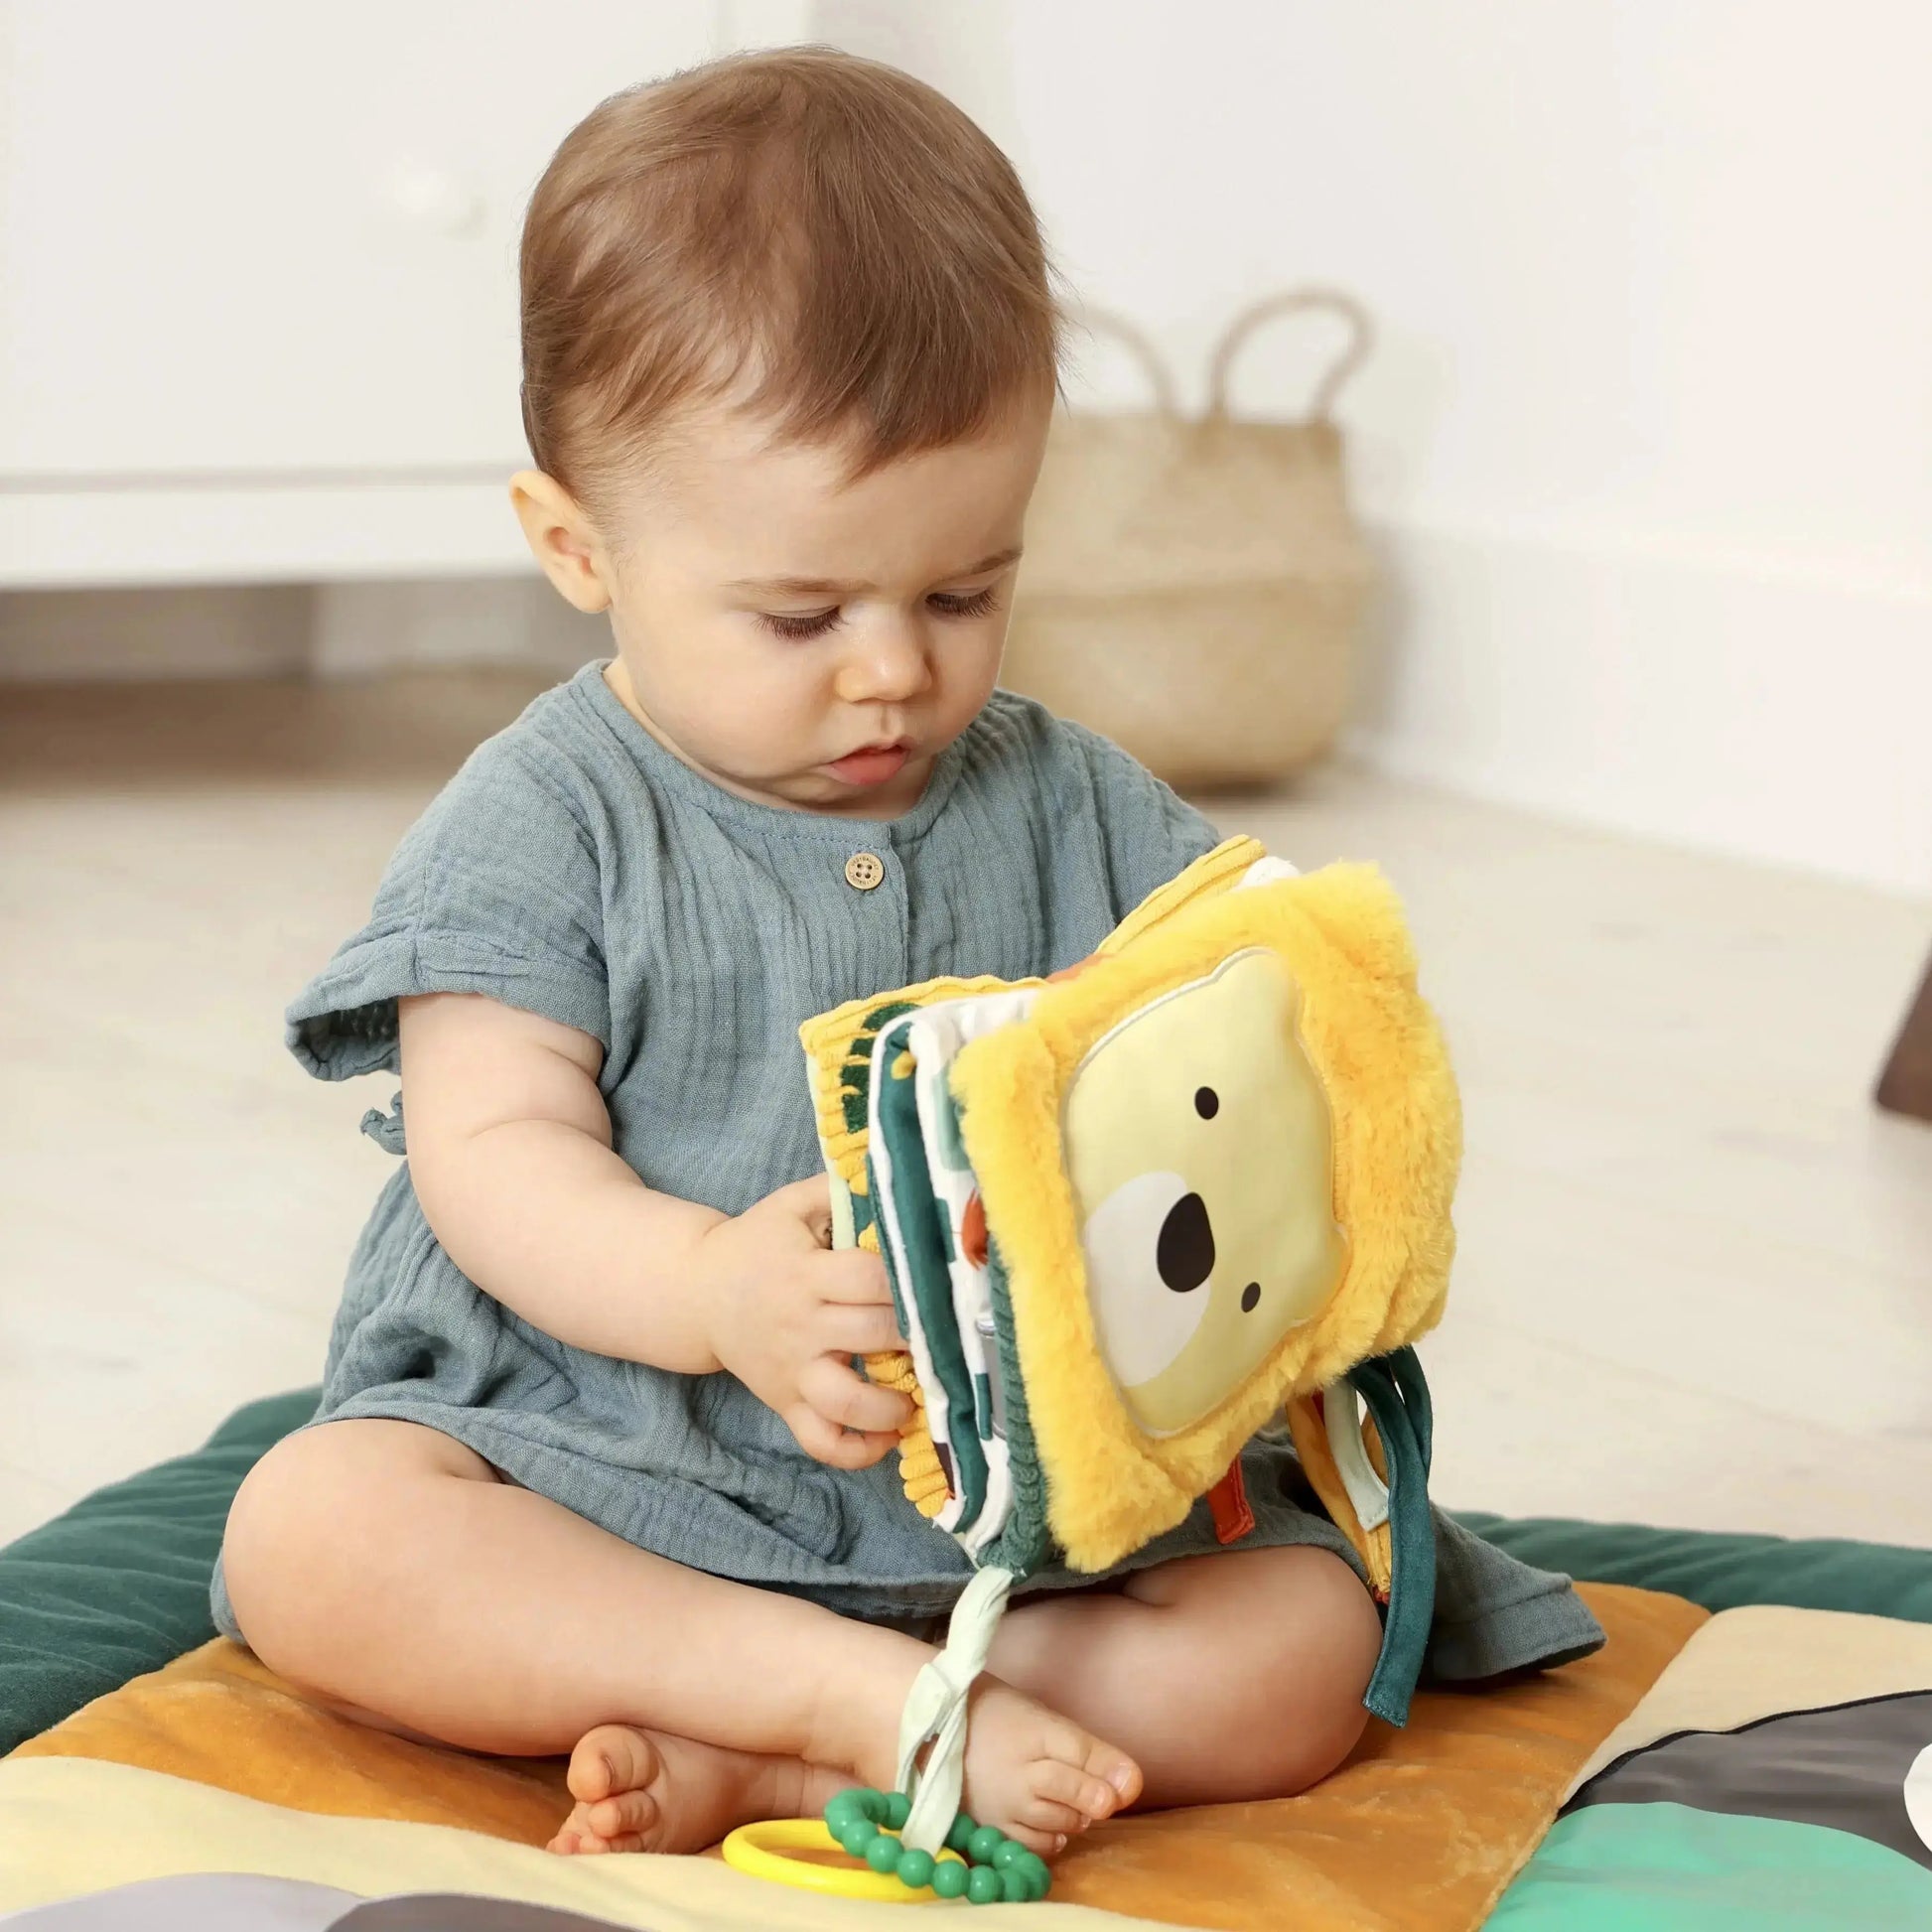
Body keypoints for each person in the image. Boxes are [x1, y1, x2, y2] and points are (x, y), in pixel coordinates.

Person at [216, 48, 1601, 1861]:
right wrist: (709, 1287)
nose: (892, 669)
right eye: (802, 612)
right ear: (574, 543)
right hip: (611, 1467)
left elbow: (1231, 1020)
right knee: (315, 1533)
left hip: (1024, 1533)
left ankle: (807, 1748)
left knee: (1315, 1645)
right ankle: (813, 1694)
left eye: (963, 590)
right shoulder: (544, 814)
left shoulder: (1069, 797)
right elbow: (494, 1155)